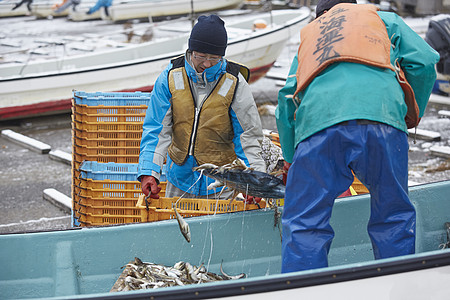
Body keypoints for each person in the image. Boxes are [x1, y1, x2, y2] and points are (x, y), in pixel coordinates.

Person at [275, 0, 439, 272]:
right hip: (383, 119)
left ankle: (301, 290)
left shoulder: (312, 34)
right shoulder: (383, 18)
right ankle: (398, 285)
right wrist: (410, 114)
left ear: (322, 15)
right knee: (393, 214)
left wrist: (291, 157)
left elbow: (286, 99)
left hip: (319, 125)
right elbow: (424, 62)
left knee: (305, 223)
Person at [138, 14, 266, 202]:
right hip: (178, 181)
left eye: (214, 58)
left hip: (220, 185)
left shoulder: (235, 82)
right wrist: (149, 171)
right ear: (191, 51)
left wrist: (252, 180)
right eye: (201, 56)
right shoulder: (170, 77)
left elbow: (247, 136)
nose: (206, 64)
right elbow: (157, 130)